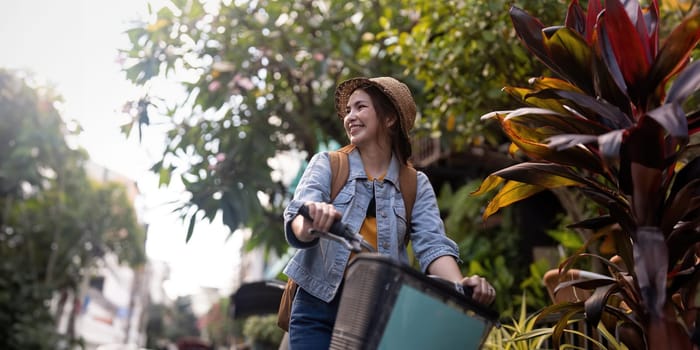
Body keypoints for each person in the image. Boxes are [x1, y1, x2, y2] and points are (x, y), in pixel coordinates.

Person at [282, 76, 496, 349]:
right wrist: (312, 219)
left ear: (389, 118)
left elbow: (432, 244)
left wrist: (461, 287)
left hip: (379, 308)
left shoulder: (415, 184)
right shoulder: (328, 164)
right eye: (348, 110)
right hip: (318, 306)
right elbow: (298, 216)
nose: (350, 116)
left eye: (360, 107)